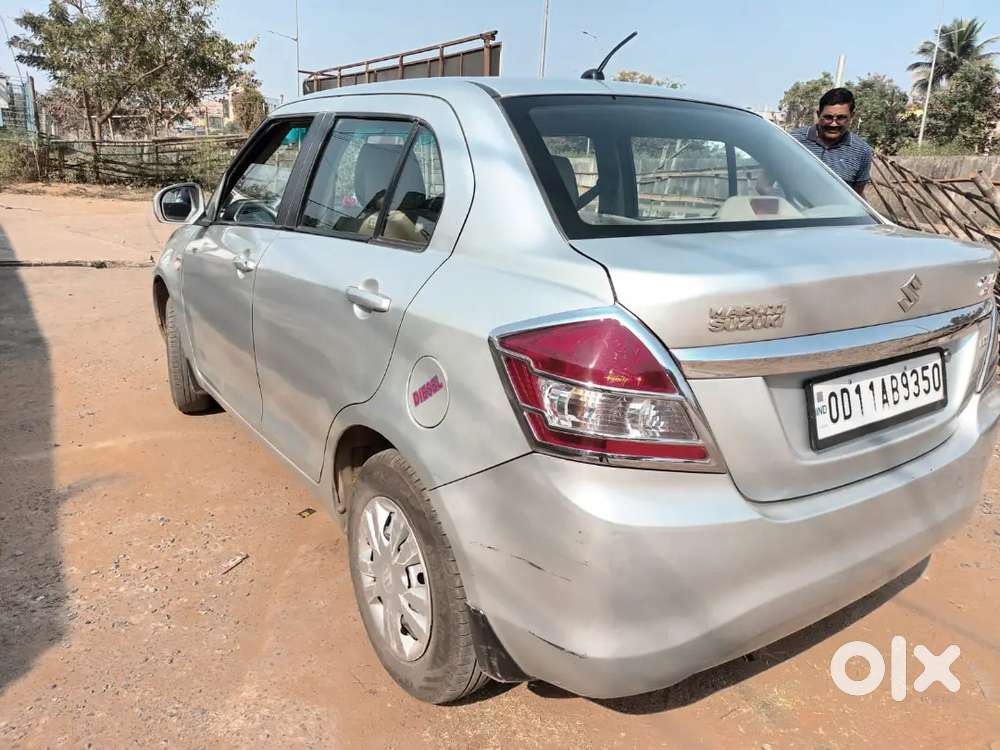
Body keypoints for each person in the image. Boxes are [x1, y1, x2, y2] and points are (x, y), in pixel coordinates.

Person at [791, 87, 873, 196]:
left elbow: (856, 197)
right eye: (828, 117)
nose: (833, 124)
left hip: (836, 212)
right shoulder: (793, 141)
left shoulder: (862, 151)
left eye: (841, 118)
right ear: (818, 114)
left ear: (852, 116)